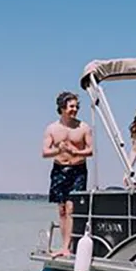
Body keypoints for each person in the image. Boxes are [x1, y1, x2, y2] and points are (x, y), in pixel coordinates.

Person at [41, 91, 93, 258]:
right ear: (62, 107)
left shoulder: (83, 127)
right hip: (59, 170)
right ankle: (64, 245)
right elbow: (45, 152)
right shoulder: (52, 128)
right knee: (62, 210)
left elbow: (91, 151)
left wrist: (75, 151)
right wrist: (59, 149)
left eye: (77, 106)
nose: (75, 109)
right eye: (71, 106)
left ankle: (67, 247)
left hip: (78, 170)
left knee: (71, 208)